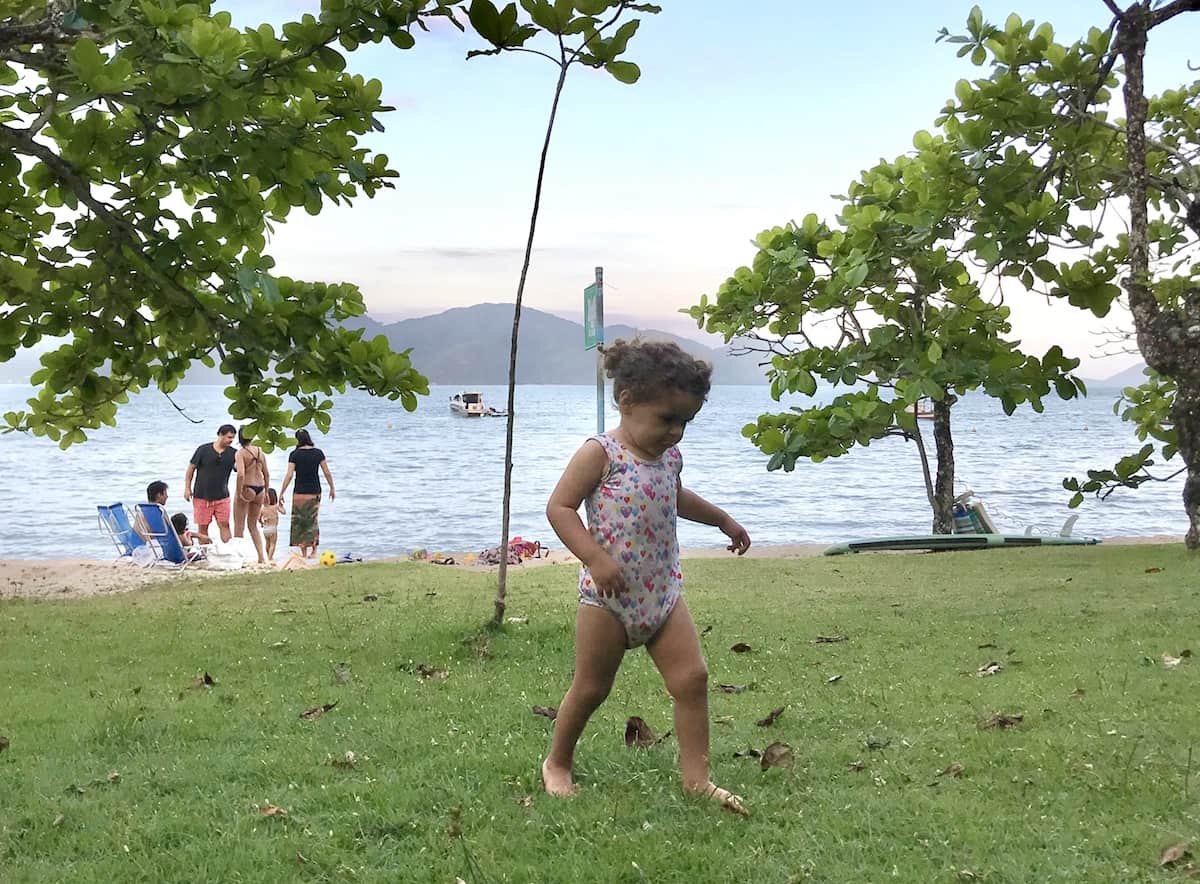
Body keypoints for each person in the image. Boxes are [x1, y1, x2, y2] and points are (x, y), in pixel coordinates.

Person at [541, 339, 752, 815]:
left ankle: (697, 779)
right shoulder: (602, 453)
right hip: (607, 598)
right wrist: (595, 557)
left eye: (685, 422)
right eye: (667, 419)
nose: (676, 432)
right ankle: (557, 763)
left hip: (662, 594)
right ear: (627, 402)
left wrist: (722, 519)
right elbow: (560, 507)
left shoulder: (668, 457)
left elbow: (675, 496)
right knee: (592, 687)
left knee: (692, 678)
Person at [278, 429, 335, 558]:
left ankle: (303, 552)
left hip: (299, 491)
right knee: (312, 520)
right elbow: (327, 472)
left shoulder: (294, 454)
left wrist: (281, 492)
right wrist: (332, 487)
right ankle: (314, 551)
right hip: (315, 490)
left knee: (300, 521)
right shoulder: (318, 453)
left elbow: (289, 475)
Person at [184, 424, 238, 544]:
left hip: (222, 497)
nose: (231, 440)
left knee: (225, 524)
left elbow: (240, 469)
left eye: (233, 438)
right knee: (203, 527)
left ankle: (228, 551)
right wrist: (187, 488)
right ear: (220, 435)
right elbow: (191, 469)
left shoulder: (234, 453)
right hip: (201, 496)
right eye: (229, 437)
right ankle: (205, 554)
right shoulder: (203, 450)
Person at [233, 426, 270, 564]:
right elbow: (266, 473)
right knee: (253, 525)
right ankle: (261, 557)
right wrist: (266, 490)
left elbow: (241, 474)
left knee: (239, 526)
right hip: (260, 488)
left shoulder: (240, 453)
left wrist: (239, 491)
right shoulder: (260, 451)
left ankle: (239, 558)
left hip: (247, 488)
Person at [260, 488, 285, 560]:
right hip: (273, 528)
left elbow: (259, 518)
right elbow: (283, 512)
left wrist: (261, 523)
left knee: (267, 544)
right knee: (272, 544)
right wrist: (282, 505)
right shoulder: (275, 507)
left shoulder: (263, 509)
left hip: (265, 529)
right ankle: (270, 558)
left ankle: (269, 556)